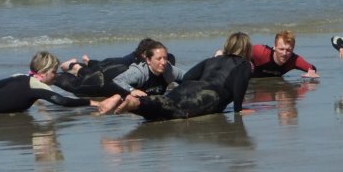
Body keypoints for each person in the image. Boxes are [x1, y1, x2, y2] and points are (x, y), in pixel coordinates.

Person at [113, 32, 253, 121]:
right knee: (176, 111)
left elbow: (187, 77)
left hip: (189, 87)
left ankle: (137, 104)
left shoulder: (211, 60)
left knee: (166, 103)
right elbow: (239, 85)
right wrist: (238, 109)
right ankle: (136, 103)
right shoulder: (244, 64)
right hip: (211, 94)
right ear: (246, 49)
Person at [0, 52, 101, 115]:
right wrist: (90, 103)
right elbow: (61, 101)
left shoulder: (20, 77)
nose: (56, 76)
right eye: (54, 71)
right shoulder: (35, 84)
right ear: (44, 72)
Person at [96, 41, 185, 114]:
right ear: (148, 60)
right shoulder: (139, 72)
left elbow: (186, 77)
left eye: (165, 58)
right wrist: (132, 90)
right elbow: (116, 81)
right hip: (107, 75)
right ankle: (117, 99)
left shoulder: (169, 70)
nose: (163, 62)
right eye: (159, 59)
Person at [250, 30, 318, 79]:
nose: (284, 53)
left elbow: (312, 68)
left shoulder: (294, 60)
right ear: (275, 46)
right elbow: (241, 51)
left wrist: (311, 73)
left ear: (293, 49)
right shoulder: (260, 52)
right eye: (281, 49)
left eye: (288, 50)